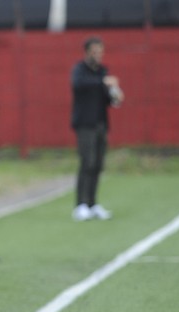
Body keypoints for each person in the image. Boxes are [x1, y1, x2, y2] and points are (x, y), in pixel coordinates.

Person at [71, 36, 124, 221]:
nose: (98, 55)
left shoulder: (103, 71)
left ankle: (92, 203)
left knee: (98, 165)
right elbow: (79, 84)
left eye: (100, 51)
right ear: (87, 52)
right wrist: (103, 82)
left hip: (101, 124)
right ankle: (80, 205)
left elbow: (109, 98)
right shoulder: (80, 70)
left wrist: (115, 94)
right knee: (87, 163)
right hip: (85, 125)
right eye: (94, 51)